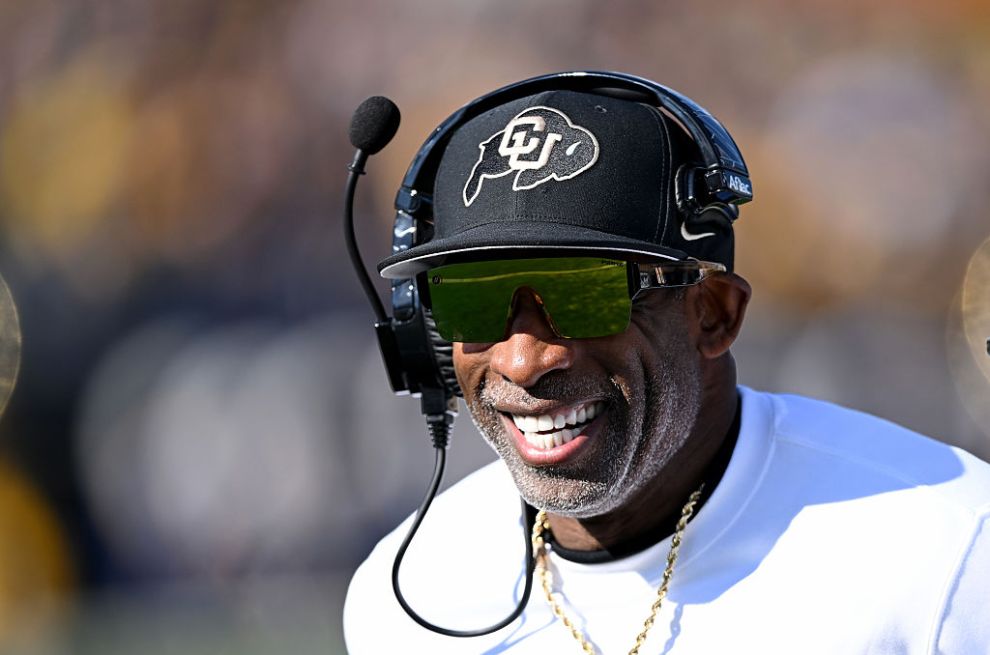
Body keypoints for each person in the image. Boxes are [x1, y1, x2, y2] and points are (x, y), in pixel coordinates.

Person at [343, 73, 990, 654]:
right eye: (474, 300)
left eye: (582, 293)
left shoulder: (951, 554)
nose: (523, 358)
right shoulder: (402, 603)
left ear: (713, 313)